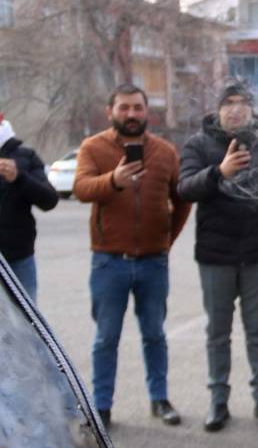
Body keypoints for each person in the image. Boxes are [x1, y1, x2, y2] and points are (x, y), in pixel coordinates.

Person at [178, 81, 258, 432]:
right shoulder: (198, 145)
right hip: (216, 256)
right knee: (217, 332)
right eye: (227, 103)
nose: (234, 109)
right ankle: (218, 402)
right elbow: (184, 189)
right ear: (217, 109)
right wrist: (220, 171)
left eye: (241, 102)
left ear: (251, 107)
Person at [73, 84, 191, 429]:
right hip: (109, 261)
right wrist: (114, 180)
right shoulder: (93, 147)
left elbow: (182, 199)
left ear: (146, 112)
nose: (131, 114)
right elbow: (80, 189)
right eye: (124, 108)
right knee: (106, 338)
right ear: (110, 112)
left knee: (155, 334)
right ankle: (102, 406)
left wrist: (167, 240)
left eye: (137, 108)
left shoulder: (166, 152)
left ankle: (160, 399)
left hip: (154, 261)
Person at [0, 115, 58, 301]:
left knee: (26, 324)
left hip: (19, 258)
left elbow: (49, 200)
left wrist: (19, 178)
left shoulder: (25, 156)